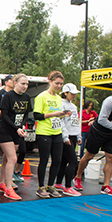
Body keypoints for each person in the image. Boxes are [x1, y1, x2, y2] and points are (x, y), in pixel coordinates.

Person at [33, 71, 70, 199]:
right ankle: (41, 187)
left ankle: (50, 185)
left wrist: (64, 114)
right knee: (44, 160)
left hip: (57, 132)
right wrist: (53, 114)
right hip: (44, 132)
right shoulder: (42, 97)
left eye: (61, 84)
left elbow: (58, 115)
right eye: (57, 83)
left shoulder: (59, 98)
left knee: (57, 160)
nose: (59, 86)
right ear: (50, 82)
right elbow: (36, 116)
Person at [0, 74, 32, 200]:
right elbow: (5, 116)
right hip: (6, 130)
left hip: (17, 131)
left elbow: (26, 115)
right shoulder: (8, 96)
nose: (25, 86)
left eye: (27, 84)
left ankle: (2, 183)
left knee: (7, 159)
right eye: (22, 83)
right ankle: (9, 188)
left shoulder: (27, 97)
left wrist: (22, 127)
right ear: (15, 82)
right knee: (13, 158)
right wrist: (16, 128)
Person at [54, 83, 82, 196]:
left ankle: (59, 183)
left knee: (64, 161)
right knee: (73, 161)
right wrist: (65, 137)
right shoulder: (61, 104)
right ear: (65, 93)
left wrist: (79, 136)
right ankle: (68, 186)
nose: (74, 95)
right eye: (72, 93)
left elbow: (76, 122)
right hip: (66, 136)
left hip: (74, 135)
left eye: (75, 94)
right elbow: (61, 122)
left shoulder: (74, 107)